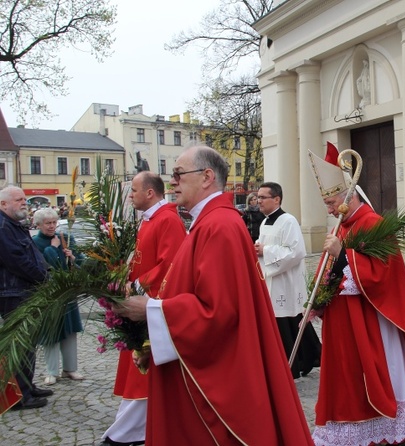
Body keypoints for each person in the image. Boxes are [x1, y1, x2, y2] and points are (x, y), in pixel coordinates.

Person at [114, 146, 313, 445]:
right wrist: (153, 340)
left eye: (179, 174)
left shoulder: (218, 226)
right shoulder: (209, 221)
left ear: (206, 177)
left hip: (220, 371)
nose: (172, 183)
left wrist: (152, 311)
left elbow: (218, 311)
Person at [308, 149, 405, 446]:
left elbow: (381, 275)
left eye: (330, 202)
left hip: (373, 322)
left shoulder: (373, 223)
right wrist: (317, 299)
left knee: (378, 373)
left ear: (348, 196)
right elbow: (331, 271)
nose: (328, 210)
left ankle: (391, 427)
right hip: (345, 322)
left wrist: (342, 255)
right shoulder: (344, 226)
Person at [101, 171, 186, 446]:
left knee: (144, 366)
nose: (130, 195)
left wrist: (137, 285)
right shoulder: (149, 220)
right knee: (138, 366)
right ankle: (135, 429)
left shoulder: (168, 220)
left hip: (151, 303)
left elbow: (170, 264)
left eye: (134, 190)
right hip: (139, 301)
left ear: (150, 193)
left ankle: (129, 432)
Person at [254, 181, 321, 379]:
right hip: (272, 279)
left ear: (277, 199)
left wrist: (264, 250)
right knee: (283, 321)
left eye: (263, 197)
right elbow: (263, 245)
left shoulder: (288, 221)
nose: (258, 201)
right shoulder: (265, 221)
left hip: (287, 281)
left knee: (290, 320)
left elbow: (297, 252)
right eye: (258, 197)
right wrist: (258, 249)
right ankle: (292, 362)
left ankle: (299, 362)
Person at [0, 186, 53, 410]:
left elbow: (31, 254)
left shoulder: (14, 225)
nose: (24, 202)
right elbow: (17, 260)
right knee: (21, 345)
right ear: (3, 204)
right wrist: (43, 277)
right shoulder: (3, 227)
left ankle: (27, 387)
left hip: (23, 291)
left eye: (24, 199)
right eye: (18, 200)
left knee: (28, 343)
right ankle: (20, 395)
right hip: (13, 293)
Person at [31, 208, 85, 386]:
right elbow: (47, 267)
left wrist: (73, 256)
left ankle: (70, 368)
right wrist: (53, 249)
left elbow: (80, 263)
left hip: (67, 293)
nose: (52, 226)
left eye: (54, 222)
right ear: (38, 225)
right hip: (49, 294)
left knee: (70, 332)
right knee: (51, 333)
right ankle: (51, 371)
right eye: (47, 223)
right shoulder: (35, 243)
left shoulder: (66, 238)